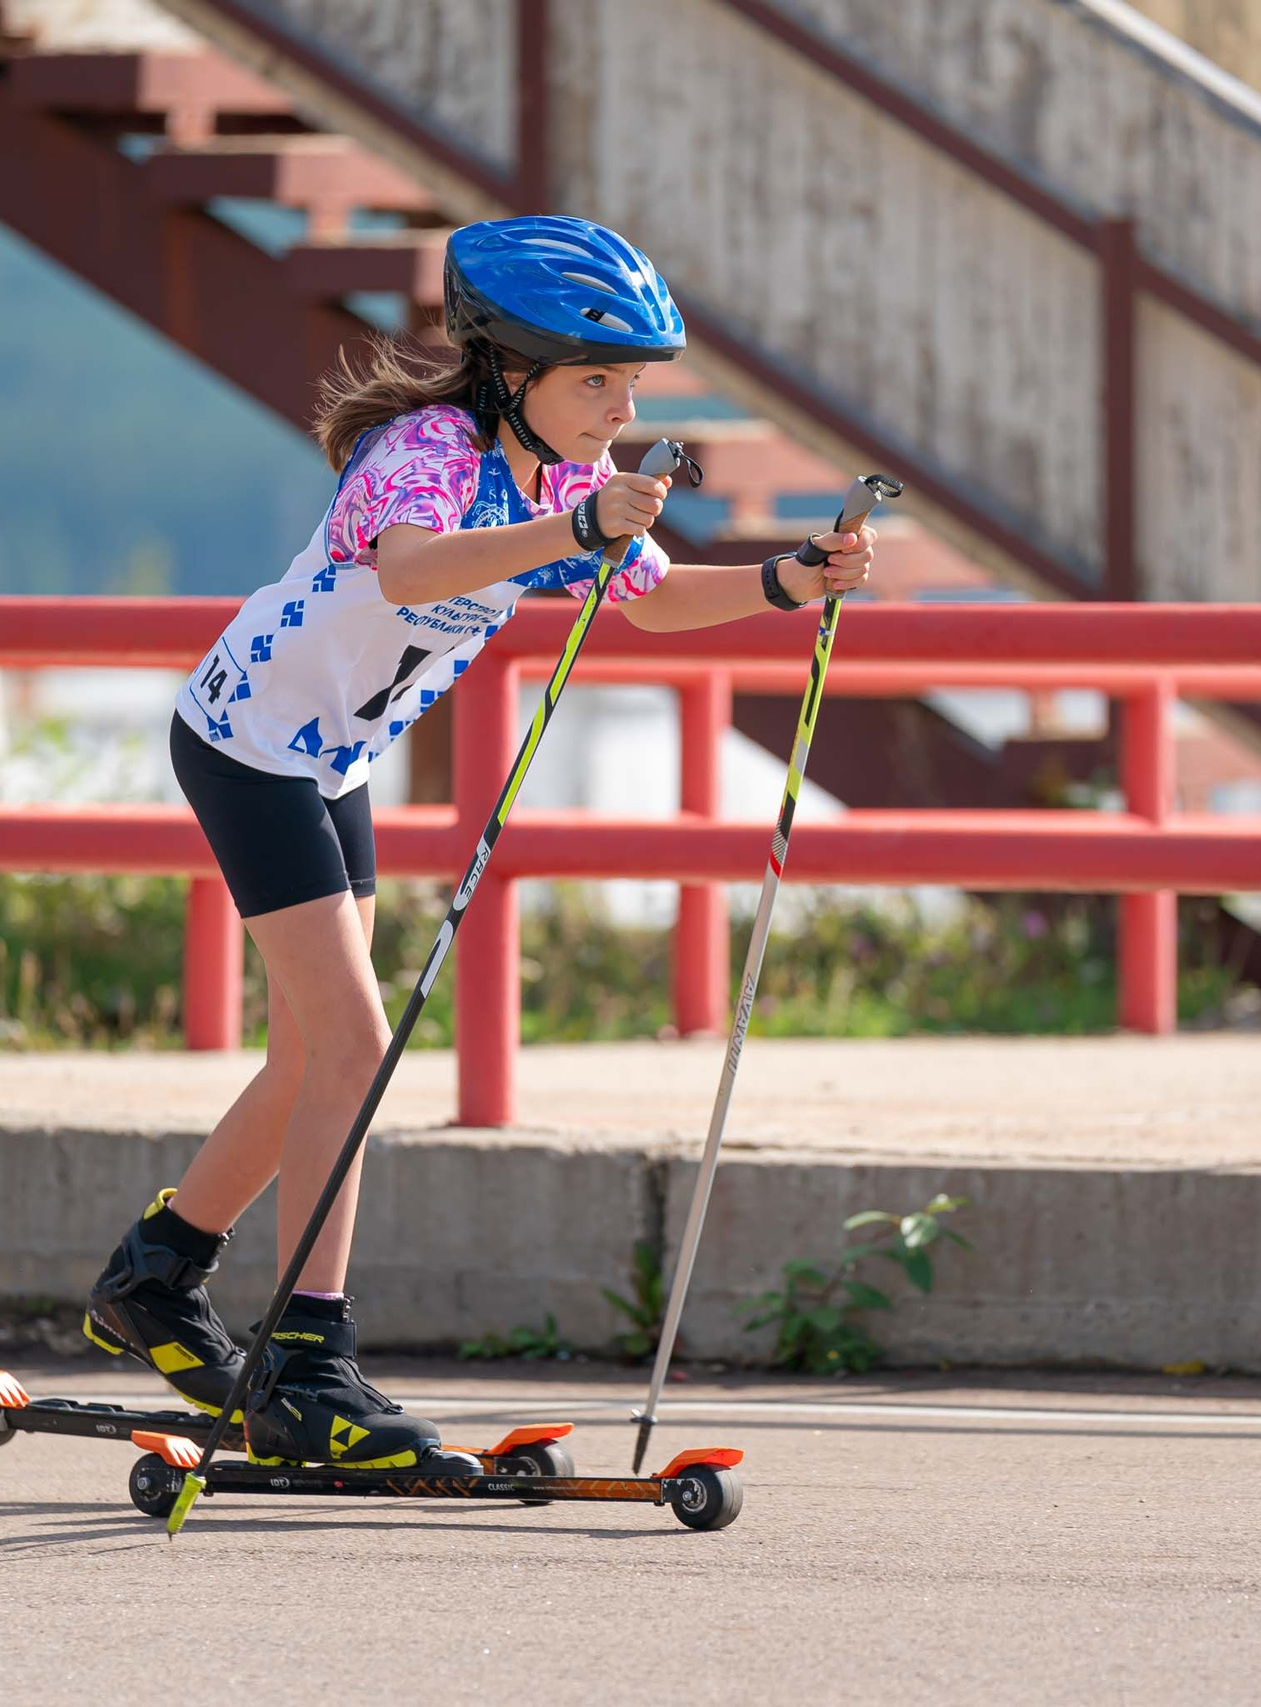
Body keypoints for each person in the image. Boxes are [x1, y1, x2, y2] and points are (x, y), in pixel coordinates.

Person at [84, 215, 876, 1471]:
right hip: (246, 744)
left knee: (312, 1056)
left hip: (325, 762)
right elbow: (409, 571)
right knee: (353, 1043)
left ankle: (156, 1275)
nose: (617, 410)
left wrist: (791, 580)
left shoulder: (567, 480)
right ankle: (309, 1359)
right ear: (511, 371)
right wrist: (576, 533)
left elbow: (658, 601)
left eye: (629, 385)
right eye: (595, 381)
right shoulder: (425, 453)